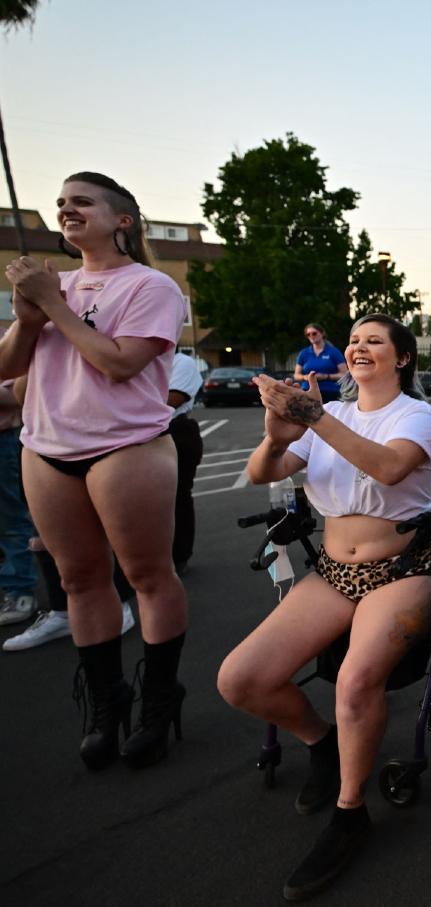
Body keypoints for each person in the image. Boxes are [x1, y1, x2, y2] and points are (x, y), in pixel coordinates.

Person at [218, 313, 431, 902]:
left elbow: (391, 467)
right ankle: (321, 745)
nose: (361, 346)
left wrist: (311, 414)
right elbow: (259, 472)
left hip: (405, 567)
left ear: (401, 358)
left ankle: (350, 812)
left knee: (354, 683)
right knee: (240, 679)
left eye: (375, 340)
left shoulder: (416, 415)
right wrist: (277, 431)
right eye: (355, 341)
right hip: (334, 570)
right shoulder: (333, 416)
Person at [0, 172, 189, 770]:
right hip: (47, 448)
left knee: (146, 576)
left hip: (125, 447)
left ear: (122, 220)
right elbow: (8, 366)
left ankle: (160, 699)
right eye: (61, 204)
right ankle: (108, 701)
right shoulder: (53, 287)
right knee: (80, 581)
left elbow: (118, 364)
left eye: (81, 202)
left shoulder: (151, 286)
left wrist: (54, 304)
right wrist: (30, 318)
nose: (66, 210)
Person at [0, 377, 37, 629]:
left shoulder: (7, 338)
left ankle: (19, 591)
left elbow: (18, 395)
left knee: (9, 519)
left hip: (3, 438)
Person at [167, 351, 204, 573]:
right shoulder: (137, 361)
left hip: (175, 431)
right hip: (135, 434)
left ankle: (179, 556)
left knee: (178, 496)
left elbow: (173, 399)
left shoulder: (182, 362)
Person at [295, 323, 347, 402]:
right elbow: (296, 375)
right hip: (308, 391)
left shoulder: (334, 352)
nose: (311, 336)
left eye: (314, 333)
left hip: (330, 392)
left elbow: (344, 374)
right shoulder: (304, 353)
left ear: (322, 333)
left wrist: (326, 376)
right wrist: (306, 377)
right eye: (308, 334)